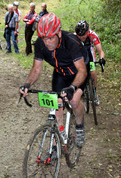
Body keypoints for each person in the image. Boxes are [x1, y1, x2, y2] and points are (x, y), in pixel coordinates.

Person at [20, 13, 88, 149]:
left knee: (74, 101)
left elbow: (82, 71)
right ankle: (56, 141)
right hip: (61, 74)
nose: (47, 42)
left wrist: (73, 87)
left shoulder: (71, 42)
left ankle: (80, 126)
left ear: (58, 33)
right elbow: (36, 69)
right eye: (44, 38)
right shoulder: (40, 43)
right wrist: (27, 84)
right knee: (57, 104)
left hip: (78, 73)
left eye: (51, 38)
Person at [75, 20, 105, 105]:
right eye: (79, 36)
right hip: (79, 55)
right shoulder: (74, 37)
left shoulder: (92, 35)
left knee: (93, 73)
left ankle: (94, 94)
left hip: (89, 54)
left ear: (88, 32)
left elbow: (100, 50)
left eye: (84, 35)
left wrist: (102, 59)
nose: (81, 37)